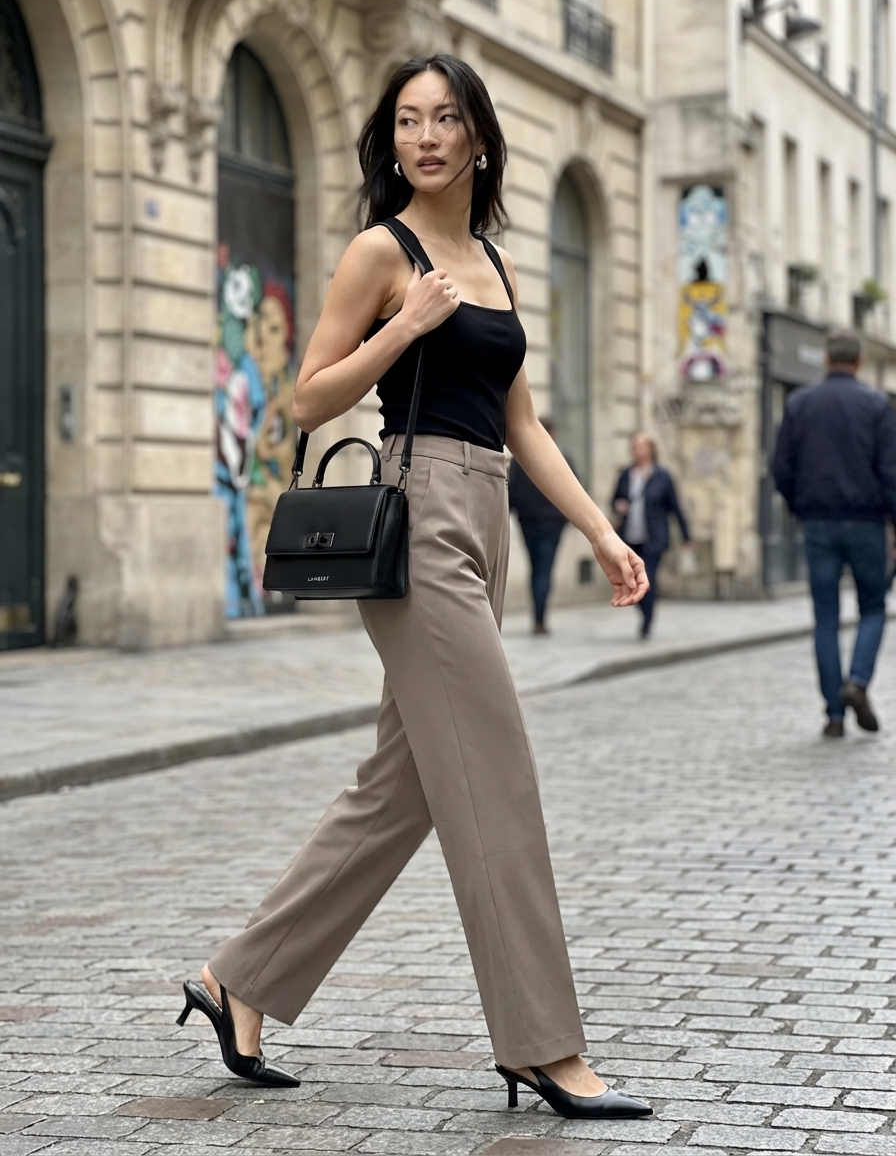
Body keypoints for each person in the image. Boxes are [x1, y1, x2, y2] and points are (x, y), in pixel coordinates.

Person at [176, 54, 652, 1123]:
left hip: (485, 519)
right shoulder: (378, 252)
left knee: (401, 791)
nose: (426, 136)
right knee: (497, 774)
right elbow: (306, 399)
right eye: (406, 121)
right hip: (417, 515)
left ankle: (237, 981)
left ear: (478, 137)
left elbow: (523, 423)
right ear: (389, 143)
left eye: (444, 118)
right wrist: (405, 326)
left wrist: (599, 529)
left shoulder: (492, 260)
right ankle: (542, 1046)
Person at [773, 328, 896, 738]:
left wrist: (800, 507)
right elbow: (890, 471)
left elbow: (781, 467)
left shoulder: (800, 403)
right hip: (866, 523)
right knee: (874, 608)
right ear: (859, 362)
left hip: (819, 524)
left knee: (825, 618)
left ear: (826, 360)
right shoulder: (877, 404)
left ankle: (834, 714)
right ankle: (857, 682)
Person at [612, 433, 691, 638]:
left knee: (648, 580)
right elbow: (615, 499)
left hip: (654, 538)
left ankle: (647, 621)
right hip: (630, 538)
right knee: (631, 582)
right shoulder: (626, 475)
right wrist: (619, 505)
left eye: (640, 446)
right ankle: (643, 611)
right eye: (634, 446)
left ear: (650, 449)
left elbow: (675, 507)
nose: (636, 449)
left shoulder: (662, 476)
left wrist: (686, 536)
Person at [508, 418, 572, 634]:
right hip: (550, 524)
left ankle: (538, 618)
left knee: (536, 569)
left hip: (529, 522)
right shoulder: (561, 459)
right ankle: (539, 619)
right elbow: (574, 491)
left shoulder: (520, 462)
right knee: (543, 570)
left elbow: (510, 492)